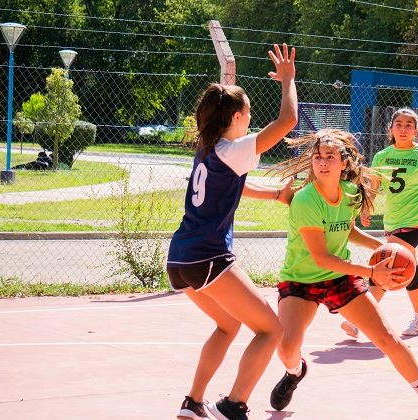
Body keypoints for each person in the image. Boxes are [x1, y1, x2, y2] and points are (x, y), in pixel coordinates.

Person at [268, 128, 418, 420]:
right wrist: (371, 271)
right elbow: (322, 257)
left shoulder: (351, 193)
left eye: (330, 156)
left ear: (343, 163)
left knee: (387, 338)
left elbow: (348, 230)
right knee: (288, 346)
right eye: (318, 157)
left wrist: (384, 248)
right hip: (301, 281)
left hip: (339, 280)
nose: (322, 162)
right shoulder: (306, 200)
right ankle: (295, 372)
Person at [166, 43, 297, 420]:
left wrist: (274, 195)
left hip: (179, 259)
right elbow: (287, 120)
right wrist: (288, 81)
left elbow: (235, 185)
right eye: (249, 115)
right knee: (271, 331)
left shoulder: (208, 149)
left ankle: (193, 401)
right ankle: (234, 403)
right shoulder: (233, 148)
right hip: (208, 256)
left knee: (228, 325)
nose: (251, 121)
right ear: (237, 117)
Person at [341, 107, 418, 338]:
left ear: (416, 131)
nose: (404, 128)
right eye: (399, 124)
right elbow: (374, 187)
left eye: (409, 124)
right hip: (392, 223)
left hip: (414, 223)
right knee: (409, 270)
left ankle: (360, 320)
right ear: (391, 129)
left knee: (388, 266)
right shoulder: (382, 156)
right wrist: (366, 208)